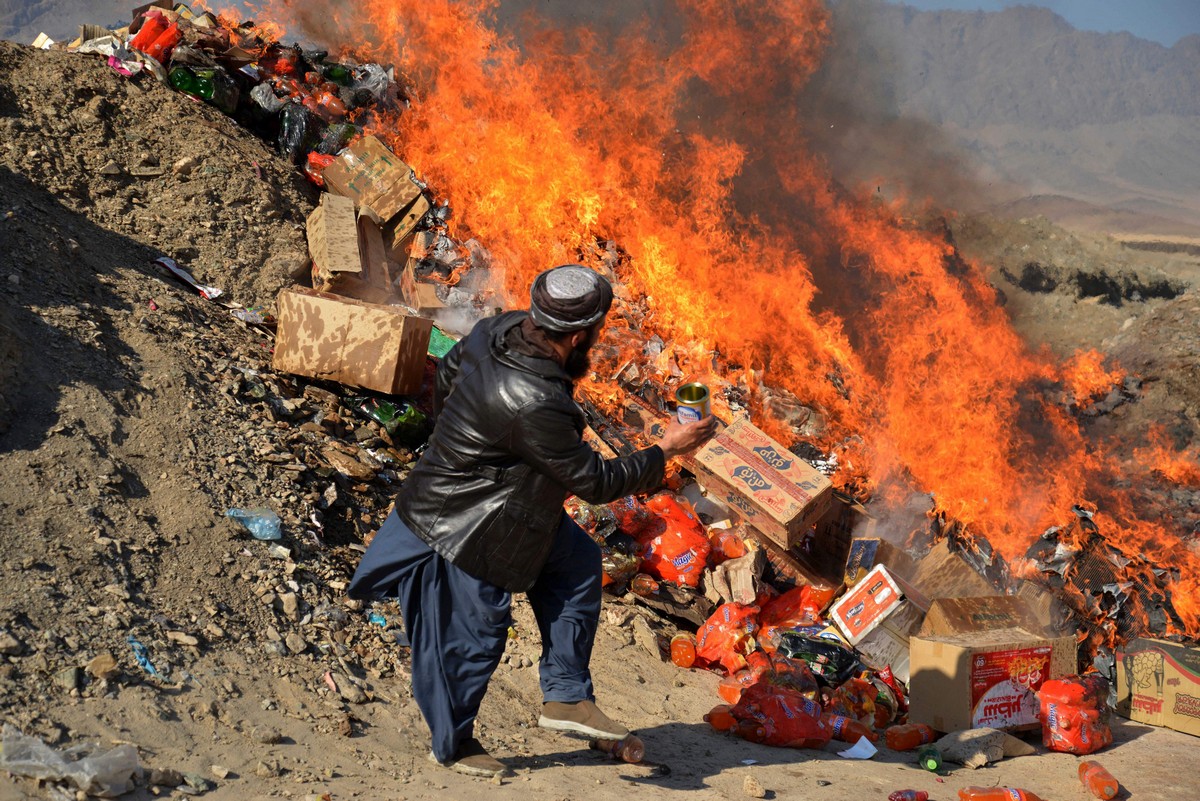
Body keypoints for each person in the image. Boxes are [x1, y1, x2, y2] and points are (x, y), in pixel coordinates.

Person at [348, 264, 717, 778]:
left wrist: (473, 442)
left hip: (511, 502)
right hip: (469, 522)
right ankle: (452, 744)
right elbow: (594, 482)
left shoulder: (498, 329)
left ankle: (566, 696)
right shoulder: (535, 401)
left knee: (577, 560)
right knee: (473, 637)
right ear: (582, 333)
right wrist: (665, 450)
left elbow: (449, 378)